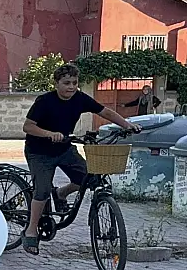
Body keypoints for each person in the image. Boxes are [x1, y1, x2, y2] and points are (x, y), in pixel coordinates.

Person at [22, 63, 140, 254]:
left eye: (74, 83)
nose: (71, 87)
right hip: (39, 152)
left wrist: (127, 125)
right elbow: (28, 126)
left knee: (89, 178)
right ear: (56, 83)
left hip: (64, 149)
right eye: (66, 83)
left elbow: (105, 112)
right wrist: (49, 133)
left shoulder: (79, 98)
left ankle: (61, 193)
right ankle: (31, 230)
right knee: (42, 190)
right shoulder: (45, 101)